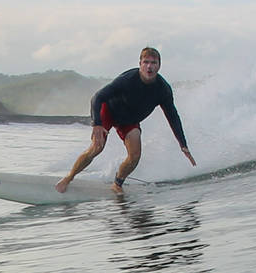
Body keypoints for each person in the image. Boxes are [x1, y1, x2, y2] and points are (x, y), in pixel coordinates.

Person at [56, 47, 196, 194]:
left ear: (159, 65)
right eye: (146, 62)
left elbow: (172, 116)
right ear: (140, 64)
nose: (149, 66)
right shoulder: (128, 80)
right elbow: (97, 97)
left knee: (135, 155)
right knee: (97, 147)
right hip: (109, 112)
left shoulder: (163, 89)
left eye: (153, 63)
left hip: (129, 121)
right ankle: (68, 178)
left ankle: (117, 183)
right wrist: (97, 124)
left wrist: (183, 144)